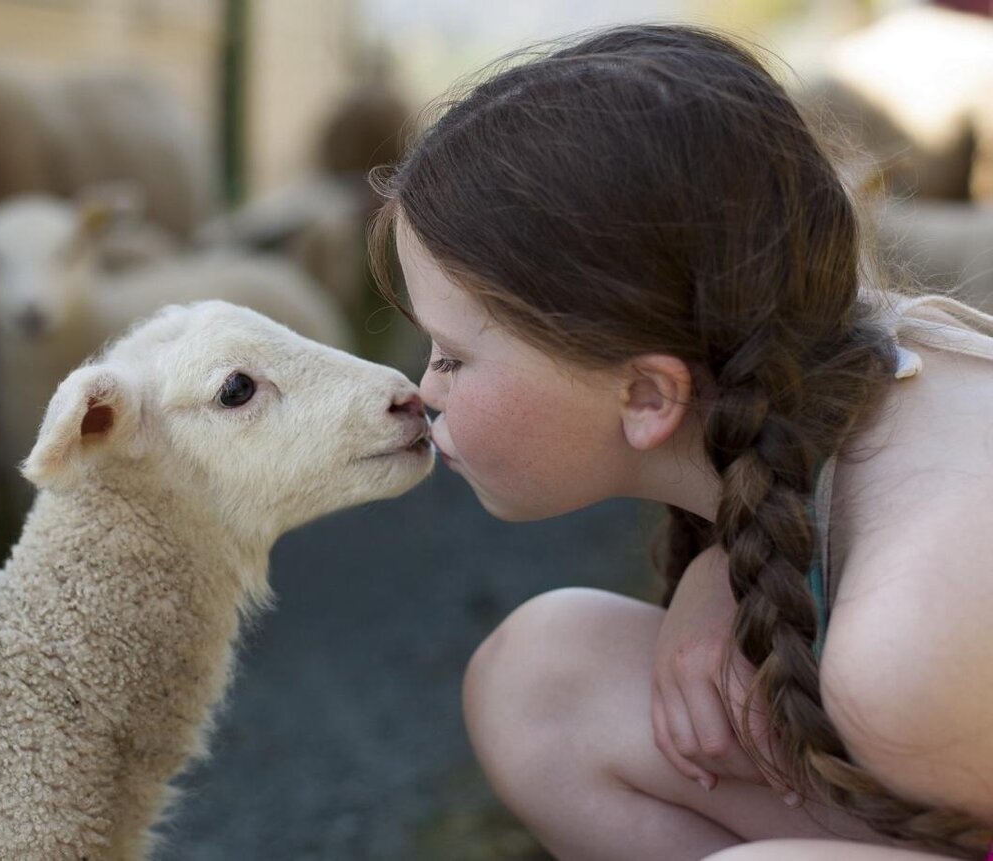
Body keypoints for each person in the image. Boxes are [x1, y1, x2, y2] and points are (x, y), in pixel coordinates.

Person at [369, 24, 993, 861]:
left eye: (451, 356)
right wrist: (721, 574)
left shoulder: (902, 647)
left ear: (650, 394)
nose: (422, 391)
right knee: (544, 683)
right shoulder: (841, 363)